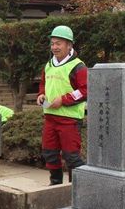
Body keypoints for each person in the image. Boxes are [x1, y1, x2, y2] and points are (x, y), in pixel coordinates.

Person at [36, 25, 87, 185]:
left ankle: (79, 188)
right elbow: (43, 84)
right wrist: (41, 95)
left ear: (69, 45)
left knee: (72, 156)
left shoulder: (78, 66)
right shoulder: (49, 64)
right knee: (49, 153)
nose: (54, 47)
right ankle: (56, 184)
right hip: (50, 118)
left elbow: (85, 90)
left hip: (69, 120)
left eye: (58, 43)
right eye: (52, 44)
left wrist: (64, 100)